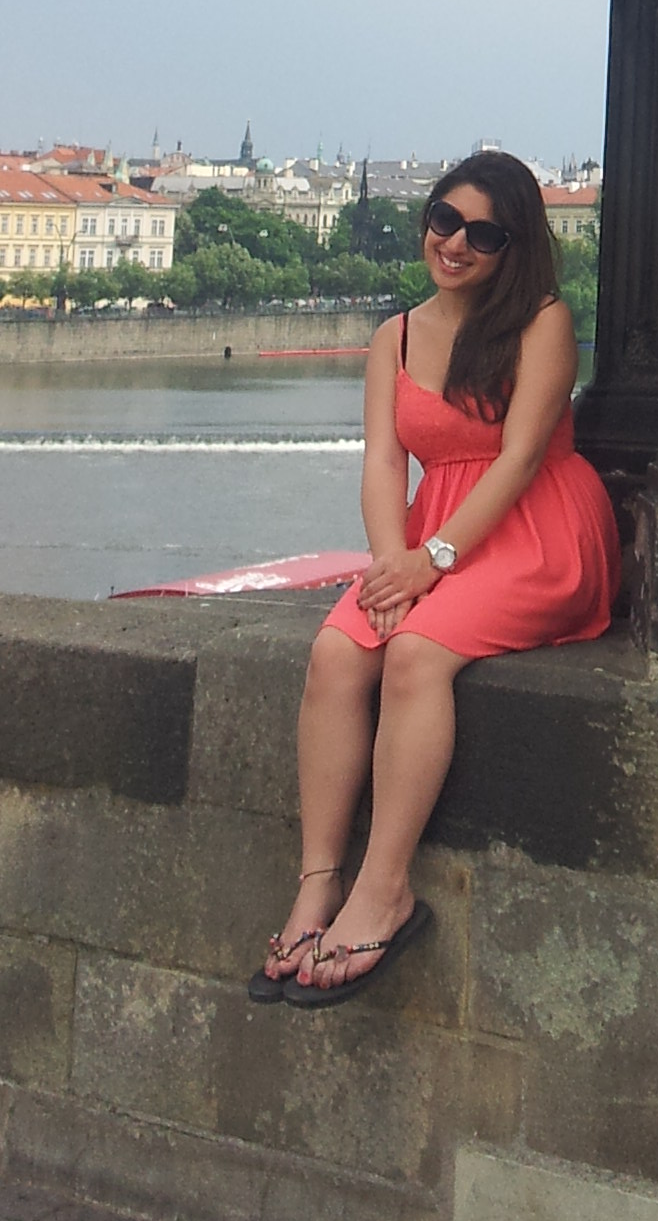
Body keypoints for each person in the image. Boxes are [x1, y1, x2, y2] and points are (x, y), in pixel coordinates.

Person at [253, 152, 617, 1005]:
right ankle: (319, 881)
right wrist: (392, 560)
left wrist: (433, 562)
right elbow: (383, 459)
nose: (455, 243)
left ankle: (385, 890)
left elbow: (523, 457)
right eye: (444, 221)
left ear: (514, 246)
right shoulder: (397, 335)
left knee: (416, 652)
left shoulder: (543, 321)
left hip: (535, 528)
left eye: (483, 233)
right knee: (339, 653)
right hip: (426, 537)